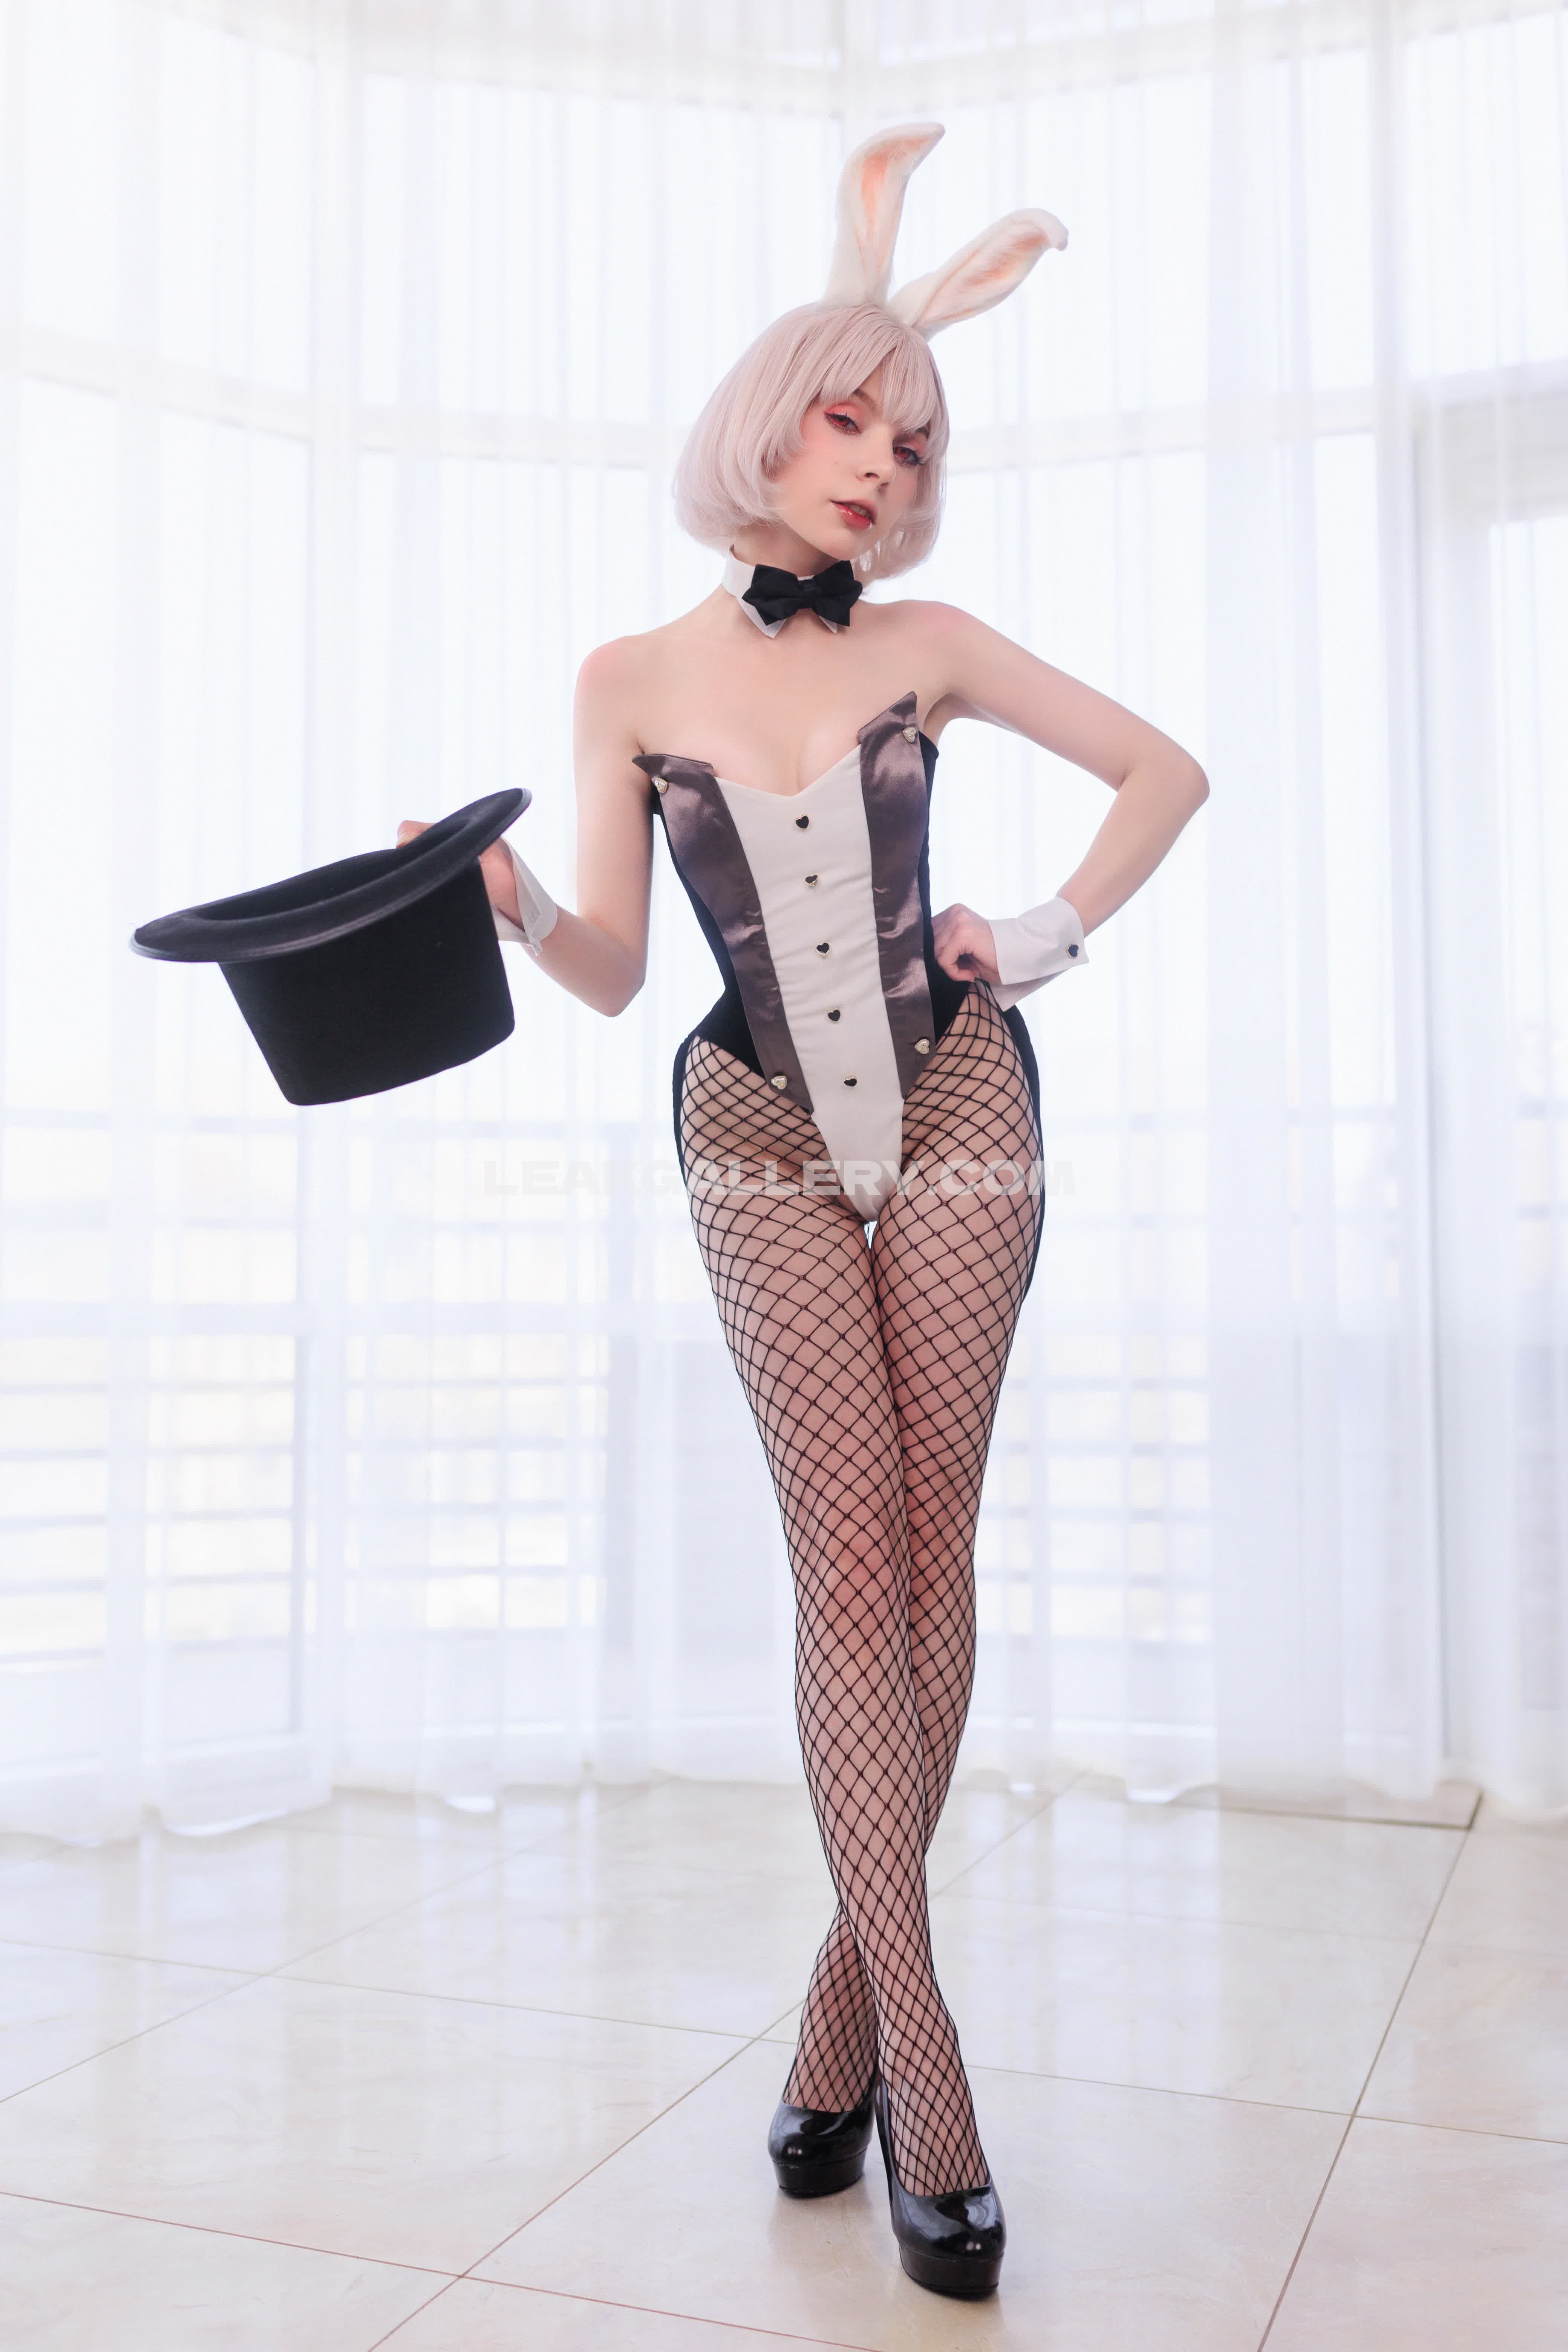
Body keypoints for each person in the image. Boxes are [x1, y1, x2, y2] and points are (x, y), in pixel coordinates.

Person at [402, 122, 1207, 2301]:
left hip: (958, 1097)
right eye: (852, 421)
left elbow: (1166, 774)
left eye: (913, 440)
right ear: (766, 422)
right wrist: (500, 897)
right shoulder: (627, 680)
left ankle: (843, 2021)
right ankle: (924, 2068)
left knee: (934, 1548)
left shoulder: (927, 636)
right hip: (750, 1116)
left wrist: (1036, 931)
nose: (882, 467)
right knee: (845, 1562)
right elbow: (608, 969)